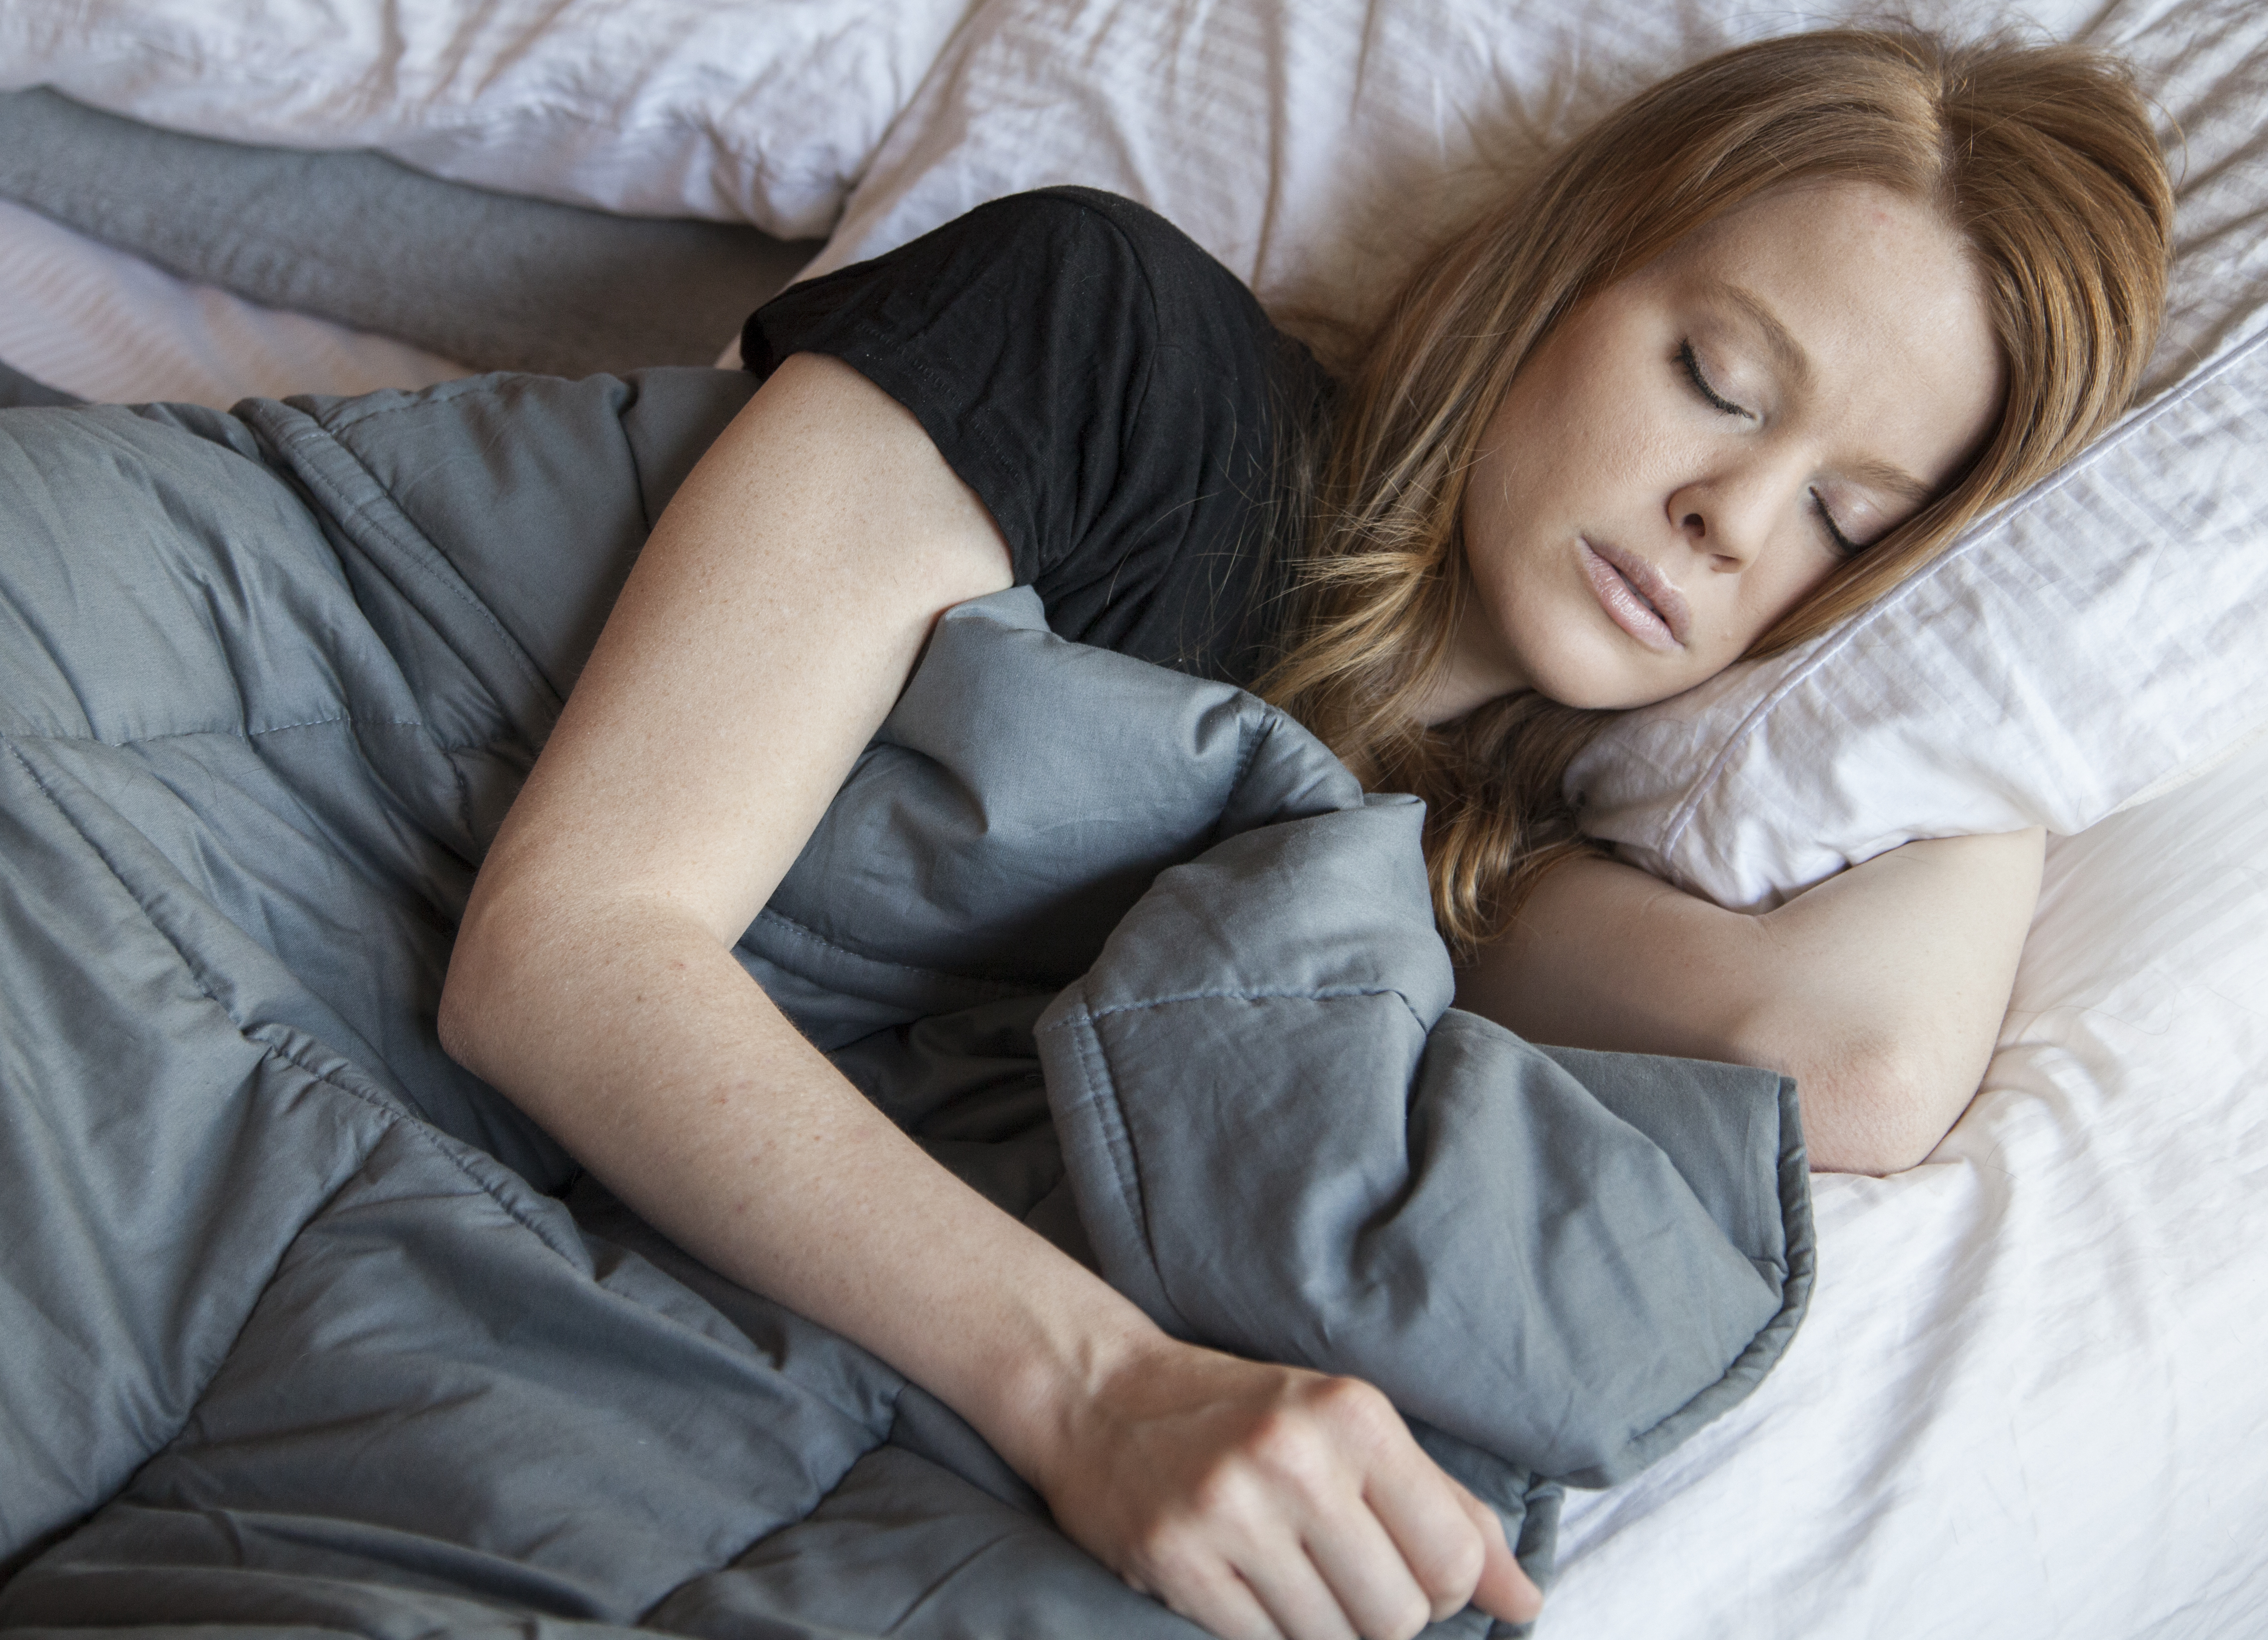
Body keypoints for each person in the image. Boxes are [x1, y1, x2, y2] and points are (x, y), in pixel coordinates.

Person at [439, 26, 2171, 1640]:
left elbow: (1844, 1060)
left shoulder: (1454, 874)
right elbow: (570, 946)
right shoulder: (1103, 340)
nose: (1726, 515)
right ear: (1561, 270)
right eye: (1717, 378)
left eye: (1844, 516)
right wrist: (1099, 1389)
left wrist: (2002, 663)